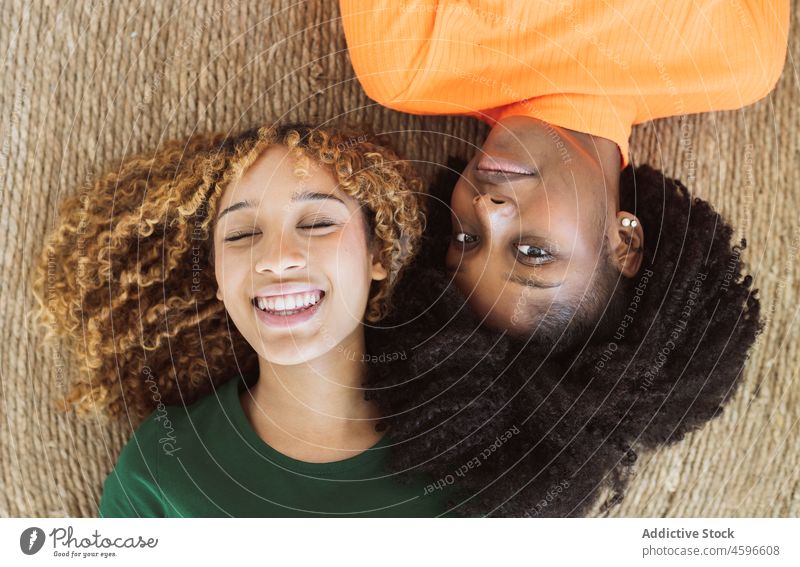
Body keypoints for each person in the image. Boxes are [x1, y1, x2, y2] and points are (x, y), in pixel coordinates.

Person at [33, 123, 457, 517]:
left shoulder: (468, 451)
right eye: (240, 234)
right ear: (216, 275)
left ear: (378, 253)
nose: (276, 259)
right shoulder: (163, 466)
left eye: (317, 223)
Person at [340, 0, 789, 340]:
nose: (486, 208)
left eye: (467, 239)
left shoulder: (408, 61)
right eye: (533, 252)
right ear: (624, 241)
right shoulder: (734, 58)